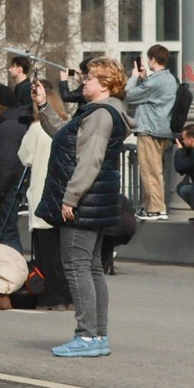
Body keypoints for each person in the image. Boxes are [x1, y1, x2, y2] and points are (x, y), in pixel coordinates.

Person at [41, 59, 131, 359]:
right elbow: (67, 141)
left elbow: (88, 160)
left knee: (77, 266)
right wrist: (43, 108)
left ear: (105, 84)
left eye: (90, 78)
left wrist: (71, 197)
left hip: (85, 200)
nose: (84, 82)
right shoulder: (107, 112)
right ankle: (98, 333)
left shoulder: (100, 116)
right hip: (98, 199)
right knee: (91, 266)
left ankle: (87, 336)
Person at [18, 86, 74, 309]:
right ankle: (69, 297)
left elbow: (24, 157)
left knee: (46, 253)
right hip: (64, 196)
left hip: (42, 195)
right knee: (64, 254)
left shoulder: (36, 128)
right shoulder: (68, 126)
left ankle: (53, 296)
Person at [125, 48, 178, 221]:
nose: (147, 63)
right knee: (155, 170)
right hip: (163, 129)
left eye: (149, 59)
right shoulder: (170, 79)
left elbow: (129, 95)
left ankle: (156, 208)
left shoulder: (156, 81)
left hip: (149, 129)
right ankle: (147, 206)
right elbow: (156, 98)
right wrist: (145, 79)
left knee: (149, 171)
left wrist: (134, 77)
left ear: (153, 59)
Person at [0, 83, 32, 253]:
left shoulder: (8, 127)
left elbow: (8, 164)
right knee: (6, 230)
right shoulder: (10, 123)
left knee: (6, 231)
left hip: (8, 189)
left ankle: (14, 271)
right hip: (11, 187)